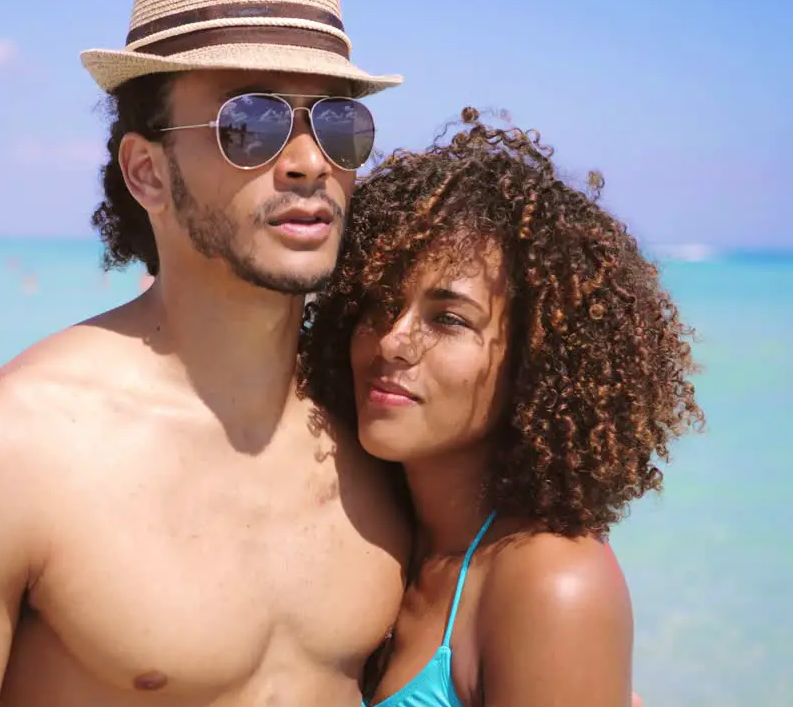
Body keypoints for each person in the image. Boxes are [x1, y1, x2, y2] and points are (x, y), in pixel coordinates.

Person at [0, 0, 413, 705]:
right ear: (147, 172)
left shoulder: (383, 427)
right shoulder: (8, 449)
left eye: (339, 123)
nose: (309, 160)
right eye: (250, 122)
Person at [300, 110, 701, 706]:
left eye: (449, 319)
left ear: (535, 363)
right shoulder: (383, 532)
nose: (391, 340)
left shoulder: (551, 584)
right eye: (381, 302)